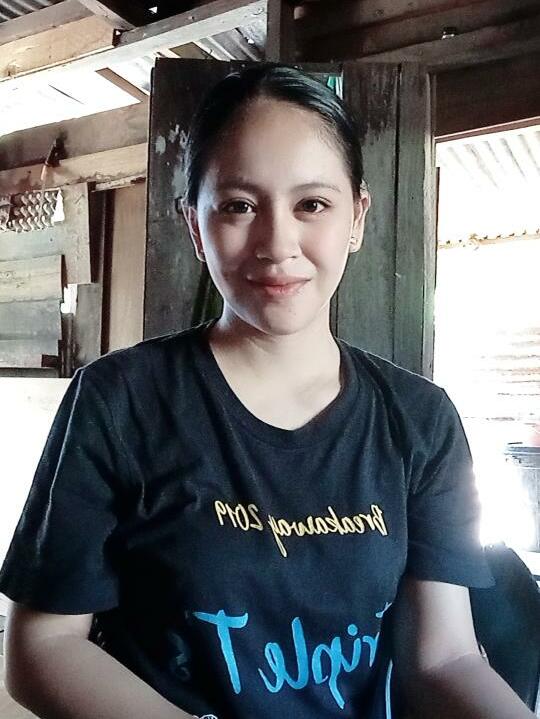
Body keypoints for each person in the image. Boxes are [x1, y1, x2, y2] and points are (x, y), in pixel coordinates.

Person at [0, 64, 535, 719]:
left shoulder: (420, 419)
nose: (278, 244)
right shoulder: (119, 401)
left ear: (357, 217)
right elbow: (44, 647)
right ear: (194, 226)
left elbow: (444, 658)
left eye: (312, 204)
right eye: (238, 206)